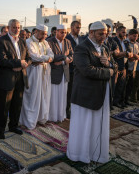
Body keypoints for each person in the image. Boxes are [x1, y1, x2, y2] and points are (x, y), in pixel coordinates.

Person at [67, 21, 117, 164]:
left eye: (105, 34)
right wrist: (109, 71)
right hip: (85, 95)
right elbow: (87, 70)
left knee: (97, 126)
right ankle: (79, 155)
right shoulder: (81, 48)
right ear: (91, 33)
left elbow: (115, 66)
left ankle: (95, 154)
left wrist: (108, 64)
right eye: (101, 34)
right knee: (84, 126)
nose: (104, 36)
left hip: (101, 94)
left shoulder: (105, 48)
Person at [0, 19, 31, 139]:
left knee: (17, 103)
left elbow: (29, 58)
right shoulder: (1, 41)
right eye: (14, 27)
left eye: (18, 27)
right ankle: (0, 130)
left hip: (20, 77)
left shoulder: (22, 41)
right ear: (9, 27)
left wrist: (24, 64)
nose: (16, 29)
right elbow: (2, 60)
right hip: (6, 78)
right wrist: (18, 63)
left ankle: (13, 126)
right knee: (3, 105)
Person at [20, 24, 54, 130]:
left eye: (45, 34)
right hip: (34, 73)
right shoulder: (29, 41)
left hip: (45, 72)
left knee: (44, 95)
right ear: (36, 32)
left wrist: (45, 58)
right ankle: (29, 120)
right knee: (32, 96)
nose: (44, 36)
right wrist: (46, 58)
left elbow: (52, 54)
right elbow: (33, 56)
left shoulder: (45, 42)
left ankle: (41, 118)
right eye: (43, 34)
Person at [47, 25, 73, 122]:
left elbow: (71, 55)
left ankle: (61, 116)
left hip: (65, 72)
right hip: (54, 72)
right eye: (61, 32)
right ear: (56, 32)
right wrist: (63, 57)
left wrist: (65, 60)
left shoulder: (68, 42)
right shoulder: (49, 42)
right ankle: (52, 117)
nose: (64, 34)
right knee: (53, 96)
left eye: (65, 32)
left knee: (63, 95)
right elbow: (51, 57)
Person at [65, 21, 84, 118]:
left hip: (79, 70)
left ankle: (75, 109)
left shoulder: (81, 39)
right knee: (69, 91)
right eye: (77, 27)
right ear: (72, 27)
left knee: (77, 91)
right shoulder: (66, 38)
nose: (79, 29)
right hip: (70, 69)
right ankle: (67, 110)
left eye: (80, 28)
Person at [113, 26, 132, 108]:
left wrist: (126, 54)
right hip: (116, 66)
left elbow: (130, 53)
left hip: (124, 66)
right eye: (123, 32)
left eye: (125, 32)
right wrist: (124, 53)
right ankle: (113, 102)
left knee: (122, 85)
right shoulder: (114, 41)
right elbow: (115, 55)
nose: (125, 34)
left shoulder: (126, 42)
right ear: (117, 32)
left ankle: (120, 101)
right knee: (115, 85)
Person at [124, 29, 139, 104]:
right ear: (129, 35)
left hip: (134, 68)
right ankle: (122, 100)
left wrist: (138, 56)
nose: (135, 38)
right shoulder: (125, 42)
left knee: (130, 85)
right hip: (126, 67)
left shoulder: (137, 44)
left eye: (136, 37)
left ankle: (127, 100)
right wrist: (133, 56)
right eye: (134, 36)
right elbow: (126, 53)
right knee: (124, 85)